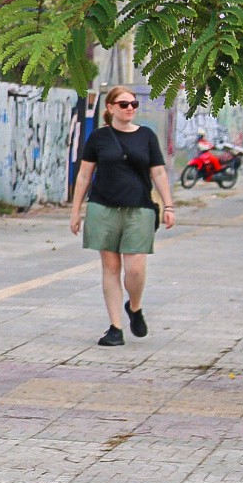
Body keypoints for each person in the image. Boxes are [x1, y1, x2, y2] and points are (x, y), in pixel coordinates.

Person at [69, 87, 175, 347]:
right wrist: (76, 211)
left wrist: (169, 206)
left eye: (133, 104)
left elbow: (159, 173)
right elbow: (84, 175)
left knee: (135, 268)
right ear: (110, 108)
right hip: (103, 208)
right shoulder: (98, 138)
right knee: (111, 267)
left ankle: (135, 306)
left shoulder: (147, 136)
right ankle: (115, 327)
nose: (129, 108)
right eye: (124, 104)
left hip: (139, 209)